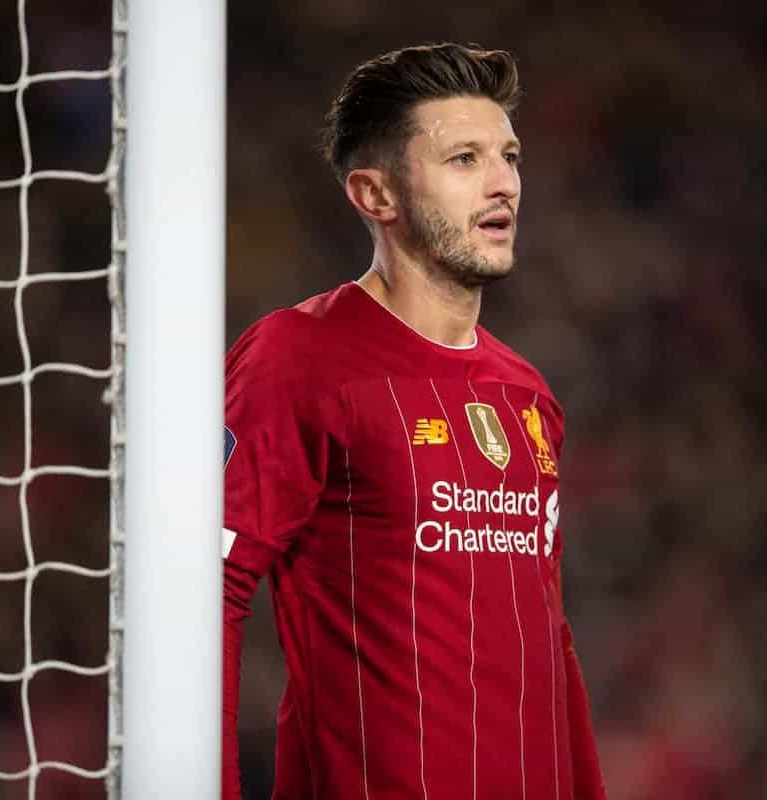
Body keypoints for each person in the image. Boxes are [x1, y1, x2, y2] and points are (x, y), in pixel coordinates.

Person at [222, 42, 606, 799]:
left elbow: (550, 639)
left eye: (510, 155)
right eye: (464, 159)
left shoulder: (526, 395)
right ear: (376, 195)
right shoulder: (295, 358)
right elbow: (211, 590)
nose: (505, 184)